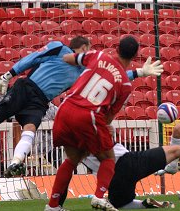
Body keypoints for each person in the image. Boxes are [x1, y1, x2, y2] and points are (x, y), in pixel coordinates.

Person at [0, 36, 163, 178]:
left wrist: (139, 73)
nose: (88, 53)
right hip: (26, 87)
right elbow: (33, 58)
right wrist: (10, 74)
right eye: (87, 49)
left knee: (30, 130)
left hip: (41, 100)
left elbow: (112, 75)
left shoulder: (83, 71)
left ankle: (15, 162)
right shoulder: (59, 48)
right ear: (82, 48)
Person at [44, 36, 158, 211]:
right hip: (88, 116)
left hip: (65, 110)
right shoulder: (125, 84)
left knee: (72, 159)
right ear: (135, 55)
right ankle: (98, 197)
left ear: (117, 48)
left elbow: (68, 58)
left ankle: (52, 206)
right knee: (109, 158)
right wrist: (100, 131)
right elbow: (109, 116)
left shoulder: (98, 56)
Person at [52, 137, 180, 210]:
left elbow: (66, 175)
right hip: (129, 161)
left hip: (113, 179)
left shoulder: (75, 150)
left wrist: (57, 203)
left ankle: (144, 204)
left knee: (120, 204)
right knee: (176, 150)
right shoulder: (91, 128)